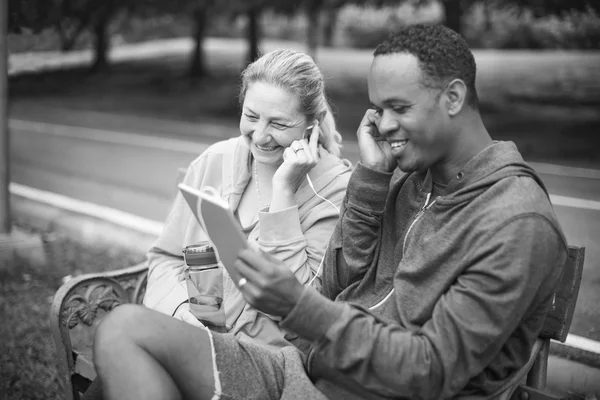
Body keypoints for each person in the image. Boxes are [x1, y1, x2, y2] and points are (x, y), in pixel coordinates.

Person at [92, 25, 567, 400]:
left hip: (356, 387)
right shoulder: (409, 180)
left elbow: (431, 371)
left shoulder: (515, 222)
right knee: (123, 330)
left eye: (398, 107)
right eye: (377, 109)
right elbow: (336, 282)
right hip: (307, 371)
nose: (381, 126)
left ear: (454, 98)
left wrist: (300, 310)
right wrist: (372, 181)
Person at [141, 48, 352, 348]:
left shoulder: (334, 191)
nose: (261, 135)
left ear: (312, 125)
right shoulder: (216, 159)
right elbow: (167, 257)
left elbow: (303, 309)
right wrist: (180, 312)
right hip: (190, 333)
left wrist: (283, 193)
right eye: (251, 116)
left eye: (278, 124)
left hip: (266, 359)